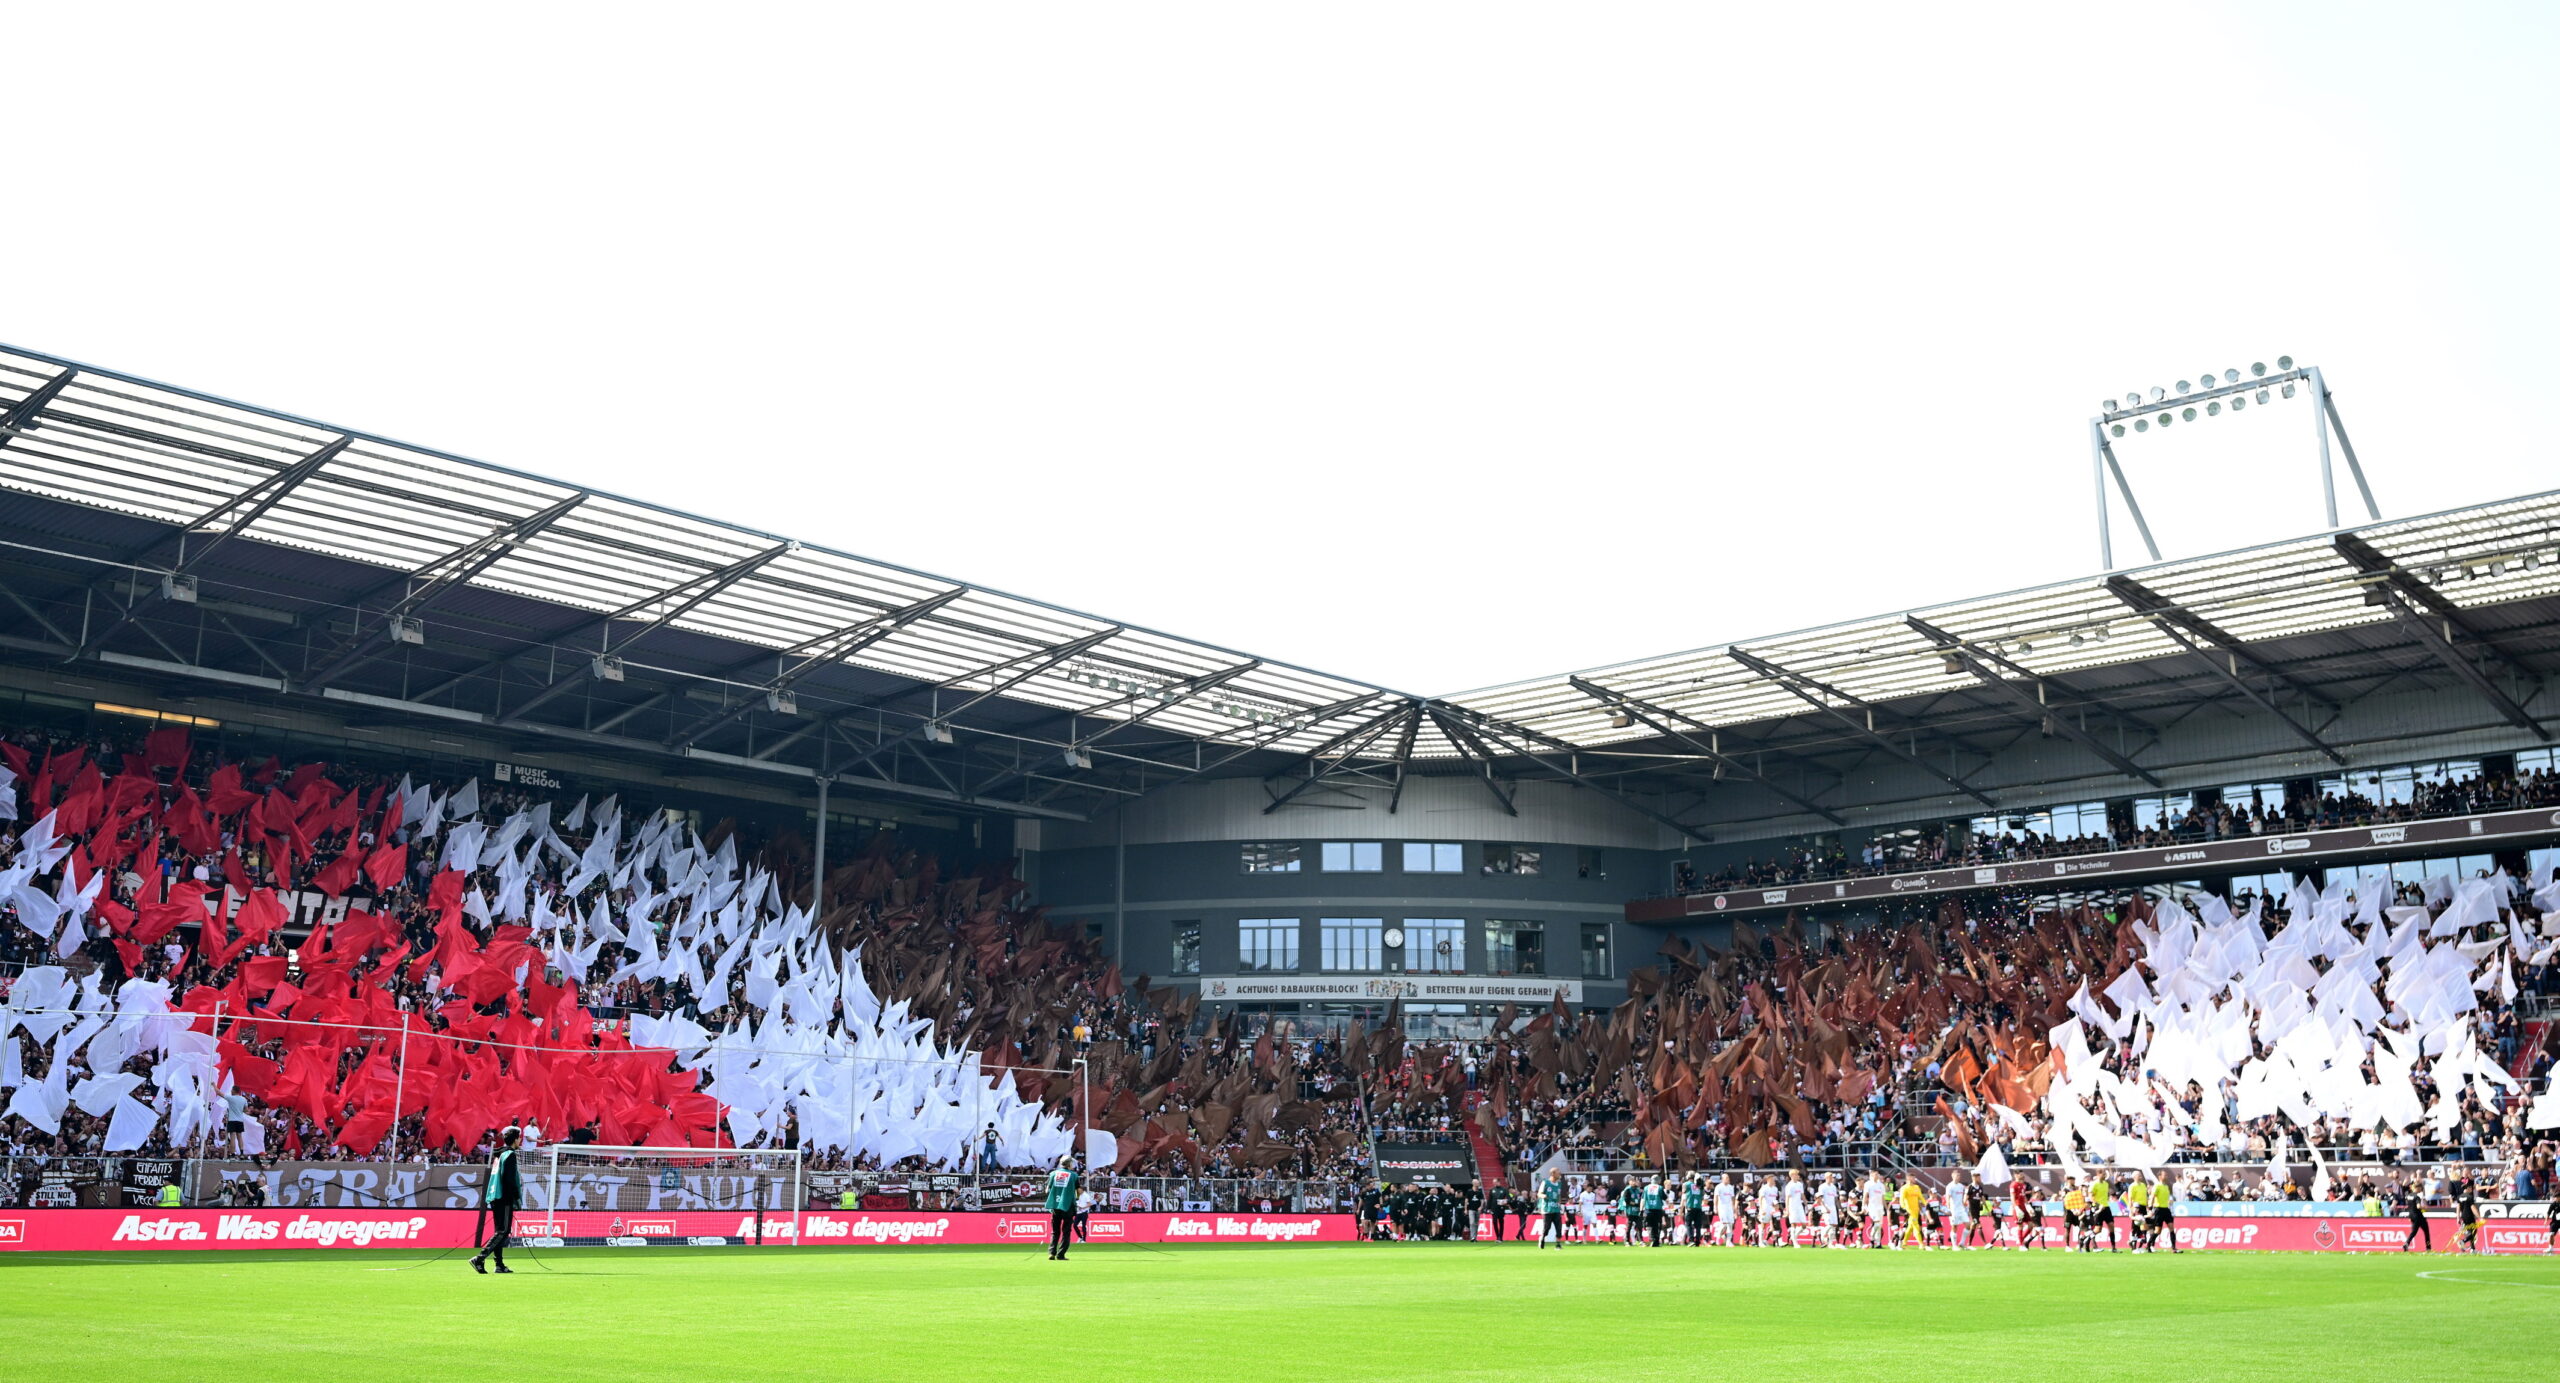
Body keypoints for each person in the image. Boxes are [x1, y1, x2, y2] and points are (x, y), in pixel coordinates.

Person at [470, 1126, 522, 1275]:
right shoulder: (510, 1155)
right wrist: (515, 1196)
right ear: (515, 1140)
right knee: (503, 1230)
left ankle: (499, 1264)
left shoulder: (499, 1155)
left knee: (500, 1231)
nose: (520, 1140)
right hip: (504, 1196)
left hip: (495, 1196)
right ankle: (480, 1258)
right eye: (519, 1138)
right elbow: (509, 1178)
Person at [1043, 1157, 1081, 1261]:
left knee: (1055, 1231)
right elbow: (1078, 1191)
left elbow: (1047, 1190)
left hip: (1055, 1205)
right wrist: (1077, 1197)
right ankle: (1061, 1254)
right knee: (1066, 1231)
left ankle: (1051, 1252)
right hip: (1068, 1206)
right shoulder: (1074, 1175)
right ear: (1069, 1165)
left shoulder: (1053, 1174)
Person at [1897, 1173, 1928, 1250]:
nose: (1915, 1180)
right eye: (1913, 1178)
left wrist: (1927, 1204)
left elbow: (1921, 1197)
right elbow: (1901, 1200)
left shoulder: (1916, 1187)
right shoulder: (1904, 1188)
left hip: (1916, 1210)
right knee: (1916, 1227)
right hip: (1910, 1211)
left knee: (1910, 1227)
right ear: (1909, 1178)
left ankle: (1904, 1243)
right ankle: (1921, 1244)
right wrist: (1905, 1209)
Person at [1537, 1170, 1568, 1249]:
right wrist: (1543, 1196)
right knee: (1547, 1227)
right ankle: (1542, 1238)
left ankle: (1558, 1244)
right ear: (1553, 1174)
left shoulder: (1559, 1184)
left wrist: (1559, 1202)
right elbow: (1539, 1193)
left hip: (1556, 1209)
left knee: (1559, 1227)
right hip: (1547, 1209)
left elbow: (1558, 1195)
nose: (1559, 1174)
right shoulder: (1545, 1182)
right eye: (1558, 1173)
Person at [2007, 1175, 2036, 1250]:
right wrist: (2016, 1208)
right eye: (2020, 1174)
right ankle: (2021, 1245)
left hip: (2024, 1207)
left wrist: (2028, 1206)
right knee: (2020, 1226)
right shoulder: (2013, 1185)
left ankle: (2020, 1240)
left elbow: (2024, 1196)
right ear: (2016, 1175)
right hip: (2018, 1208)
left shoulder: (2023, 1185)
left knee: (2031, 1225)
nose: (2023, 1176)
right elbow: (2012, 1197)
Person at [1782, 1170, 1809, 1247]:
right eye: (1796, 1175)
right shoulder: (1789, 1186)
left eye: (1798, 1175)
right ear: (1792, 1176)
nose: (1798, 1176)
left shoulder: (1800, 1184)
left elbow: (1802, 1194)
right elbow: (1787, 1198)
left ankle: (1794, 1237)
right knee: (1794, 1224)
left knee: (1804, 1225)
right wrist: (1787, 1209)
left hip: (1799, 1206)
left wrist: (1805, 1203)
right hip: (1792, 1206)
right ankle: (1795, 1242)